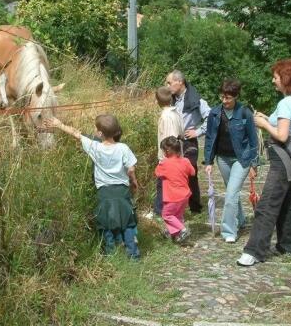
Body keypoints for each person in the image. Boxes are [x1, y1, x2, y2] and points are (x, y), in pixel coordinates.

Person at [44, 114, 141, 260]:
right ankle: (133, 254)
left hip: (104, 192)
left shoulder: (94, 147)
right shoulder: (123, 148)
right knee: (128, 221)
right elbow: (131, 169)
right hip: (122, 191)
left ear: (100, 133)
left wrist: (59, 125)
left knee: (105, 221)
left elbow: (76, 134)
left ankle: (111, 253)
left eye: (96, 128)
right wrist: (134, 181)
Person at [237, 59, 291, 266]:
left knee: (267, 205)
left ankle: (255, 251)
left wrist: (263, 123)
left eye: (275, 77)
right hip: (289, 160)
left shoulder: (285, 103)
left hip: (281, 160)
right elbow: (287, 125)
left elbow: (282, 136)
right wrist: (269, 118)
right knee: (286, 203)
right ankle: (287, 244)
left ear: (284, 79)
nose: (273, 80)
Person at [204, 79, 259, 243]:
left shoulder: (244, 113)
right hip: (223, 159)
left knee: (230, 194)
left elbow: (253, 140)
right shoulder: (214, 114)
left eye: (228, 98)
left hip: (241, 160)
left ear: (236, 96)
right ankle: (240, 220)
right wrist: (208, 161)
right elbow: (209, 139)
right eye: (222, 97)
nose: (224, 101)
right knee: (231, 192)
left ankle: (228, 231)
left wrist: (253, 164)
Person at [165, 70, 211, 214]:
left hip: (188, 141)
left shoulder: (196, 100)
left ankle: (195, 206)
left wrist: (197, 132)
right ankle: (177, 205)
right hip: (173, 142)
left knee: (191, 171)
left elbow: (211, 118)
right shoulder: (170, 99)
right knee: (174, 173)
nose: (167, 86)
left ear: (180, 82)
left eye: (169, 82)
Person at [155, 136, 195, 242]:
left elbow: (157, 173)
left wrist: (161, 163)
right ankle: (175, 234)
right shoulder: (185, 161)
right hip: (185, 195)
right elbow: (192, 172)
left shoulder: (164, 163)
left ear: (167, 151)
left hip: (173, 196)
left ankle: (183, 230)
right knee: (177, 215)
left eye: (163, 150)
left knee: (167, 214)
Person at [153, 86, 184, 216]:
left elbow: (170, 139)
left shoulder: (166, 116)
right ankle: (173, 210)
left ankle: (160, 211)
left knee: (163, 185)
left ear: (158, 101)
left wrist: (165, 159)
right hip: (177, 155)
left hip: (168, 157)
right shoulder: (176, 113)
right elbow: (181, 132)